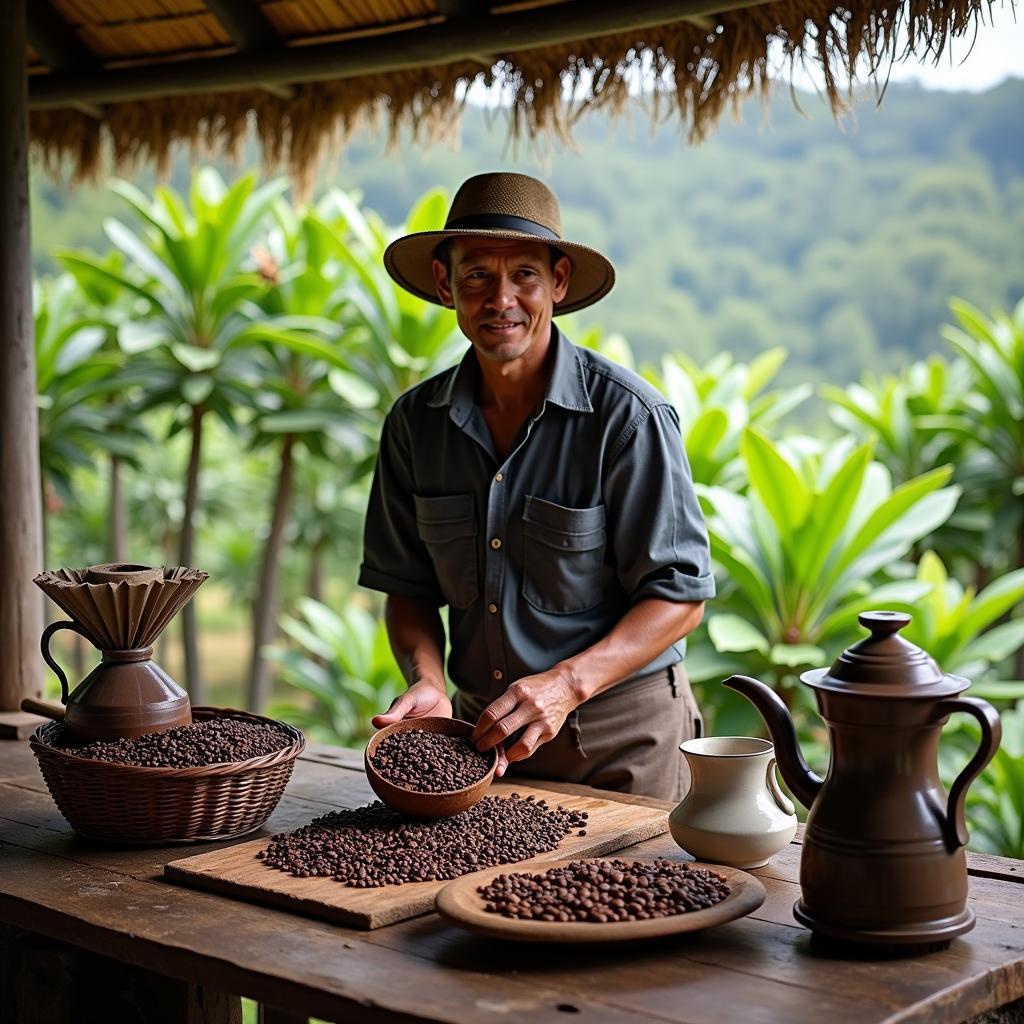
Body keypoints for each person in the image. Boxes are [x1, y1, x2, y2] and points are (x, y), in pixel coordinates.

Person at [358, 171, 715, 800]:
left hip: (625, 743)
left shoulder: (629, 419)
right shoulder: (415, 425)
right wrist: (428, 680)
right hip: (482, 747)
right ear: (446, 285)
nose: (501, 299)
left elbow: (681, 597)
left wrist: (567, 685)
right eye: (477, 276)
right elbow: (406, 587)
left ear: (558, 281)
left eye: (524, 273)